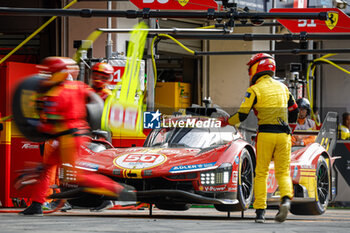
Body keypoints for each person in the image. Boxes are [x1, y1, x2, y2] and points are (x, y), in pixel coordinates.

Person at [19, 57, 127, 216]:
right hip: (70, 136)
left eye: (103, 76)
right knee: (49, 169)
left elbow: (50, 121)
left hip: (71, 137)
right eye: (97, 74)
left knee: (78, 175)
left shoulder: (58, 93)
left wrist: (35, 127)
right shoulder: (80, 87)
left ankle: (121, 193)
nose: (99, 79)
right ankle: (38, 204)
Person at [226, 53, 299, 223]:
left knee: (261, 174)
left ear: (256, 68)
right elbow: (294, 110)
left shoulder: (254, 90)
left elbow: (242, 115)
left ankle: (260, 212)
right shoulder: (283, 88)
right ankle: (286, 200)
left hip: (266, 134)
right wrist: (291, 128)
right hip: (284, 136)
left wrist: (227, 121)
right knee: (283, 172)